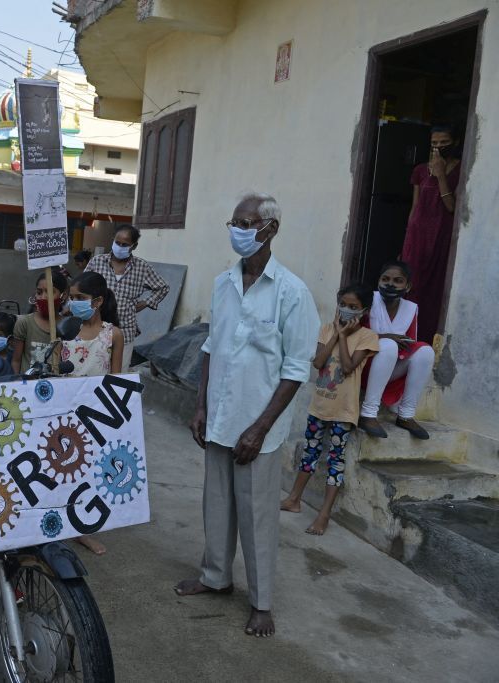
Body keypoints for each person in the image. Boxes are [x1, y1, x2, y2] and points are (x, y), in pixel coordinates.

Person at [175, 192, 318, 638]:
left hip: (259, 427)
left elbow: (295, 371)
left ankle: (262, 602)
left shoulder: (292, 293)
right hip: (218, 417)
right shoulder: (223, 283)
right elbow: (211, 347)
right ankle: (215, 576)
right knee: (215, 505)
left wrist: (259, 427)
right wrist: (199, 406)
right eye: (234, 222)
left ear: (269, 229)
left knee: (257, 517)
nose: (237, 230)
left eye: (245, 223)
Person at [281, 284, 378, 535]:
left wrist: (344, 336)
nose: (346, 310)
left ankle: (323, 515)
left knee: (335, 461)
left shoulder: (368, 337)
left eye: (353, 307)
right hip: (319, 405)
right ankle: (294, 499)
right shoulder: (326, 329)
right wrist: (335, 333)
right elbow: (318, 362)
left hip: (343, 412)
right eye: (343, 305)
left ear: (364, 311)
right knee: (309, 454)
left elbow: (347, 367)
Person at [62, 271, 125, 555]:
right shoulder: (63, 330)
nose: (74, 303)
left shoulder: (113, 335)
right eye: (71, 298)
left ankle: (82, 530)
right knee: (59, 469)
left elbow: (116, 379)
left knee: (88, 472)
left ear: (98, 301)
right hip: (62, 414)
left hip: (95, 416)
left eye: (81, 299)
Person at [358, 261, 435, 440]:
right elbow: (350, 336)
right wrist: (384, 337)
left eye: (397, 280)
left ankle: (406, 415)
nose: (390, 284)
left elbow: (410, 344)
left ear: (407, 286)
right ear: (378, 281)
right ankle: (368, 414)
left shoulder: (410, 308)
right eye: (385, 279)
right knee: (388, 344)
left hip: (389, 367)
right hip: (360, 364)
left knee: (425, 351)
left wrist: (395, 345)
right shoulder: (367, 299)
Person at [400, 124, 461, 342]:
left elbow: (452, 207)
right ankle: (403, 337)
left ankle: (424, 340)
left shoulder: (461, 170)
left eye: (444, 142)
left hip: (440, 237)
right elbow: (415, 208)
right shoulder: (420, 170)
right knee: (411, 286)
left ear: (454, 143)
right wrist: (407, 240)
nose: (438, 147)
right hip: (417, 237)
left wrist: (441, 174)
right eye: (434, 143)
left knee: (433, 289)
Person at [85, 224, 169, 371]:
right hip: (97, 329)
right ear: (113, 240)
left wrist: (145, 303)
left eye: (125, 244)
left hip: (125, 331)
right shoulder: (97, 262)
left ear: (134, 246)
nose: (120, 247)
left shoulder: (142, 267)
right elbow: (82, 286)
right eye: (117, 243)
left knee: (119, 375)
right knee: (94, 370)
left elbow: (163, 287)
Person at [11, 270, 69, 373]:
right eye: (39, 292)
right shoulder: (25, 323)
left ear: (63, 296)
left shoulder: (67, 326)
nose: (43, 297)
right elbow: (16, 361)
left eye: (50, 292)